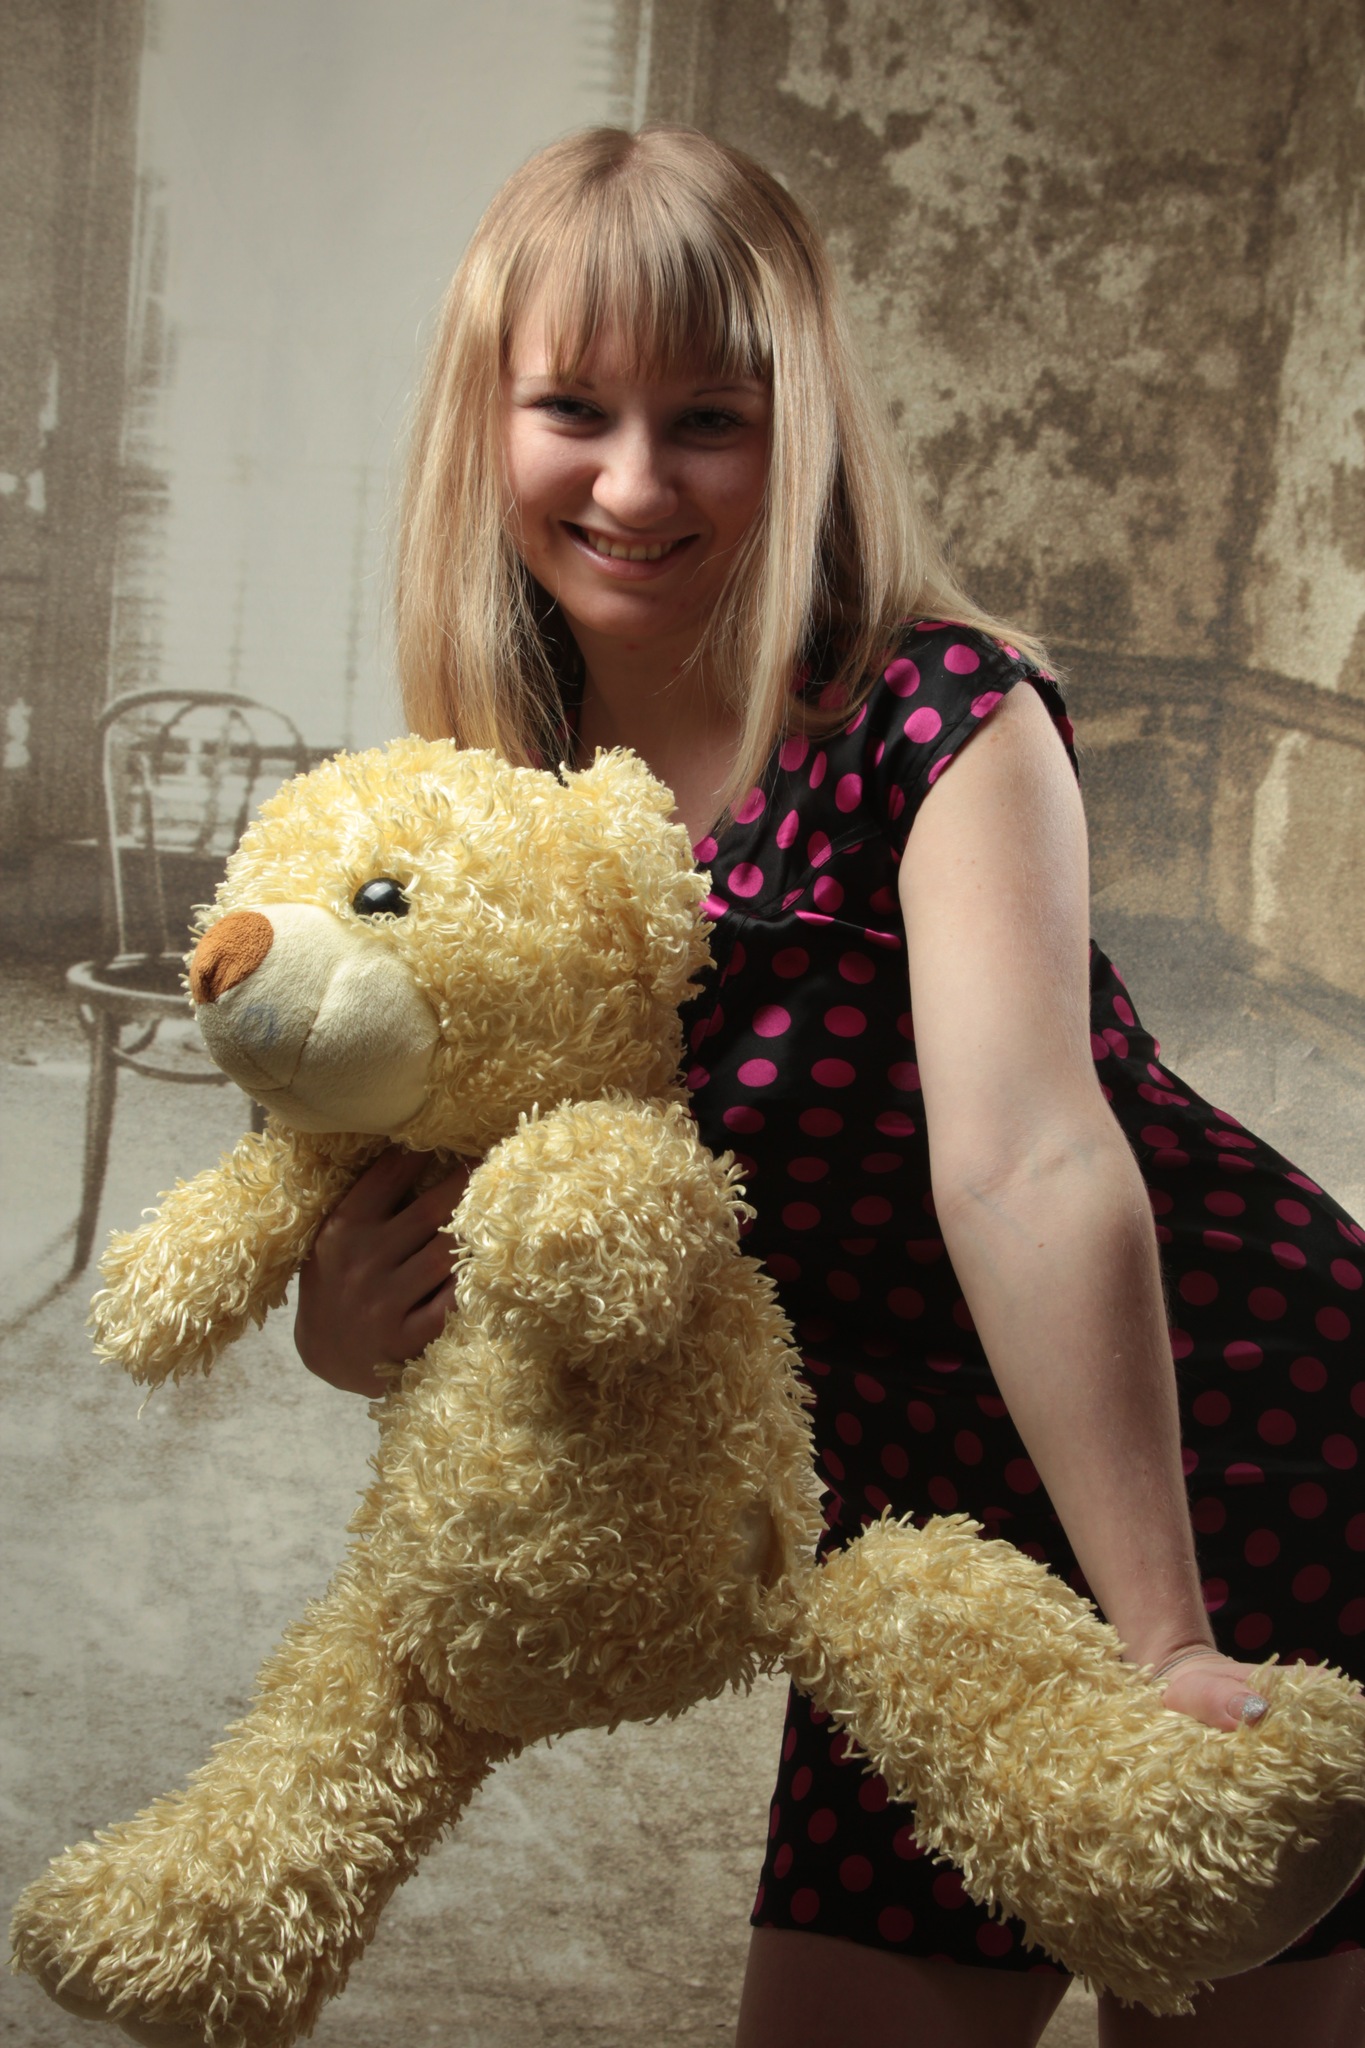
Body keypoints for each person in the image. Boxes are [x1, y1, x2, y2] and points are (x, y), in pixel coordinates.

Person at [293, 126, 1365, 2046]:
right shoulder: (487, 788)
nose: (635, 482)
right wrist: (345, 1326)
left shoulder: (940, 711)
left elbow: (1027, 1165)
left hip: (1223, 1443)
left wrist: (1164, 1637)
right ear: (485, 419)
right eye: (573, 409)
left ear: (801, 428)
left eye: (707, 418)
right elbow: (478, 1202)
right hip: (912, 1545)